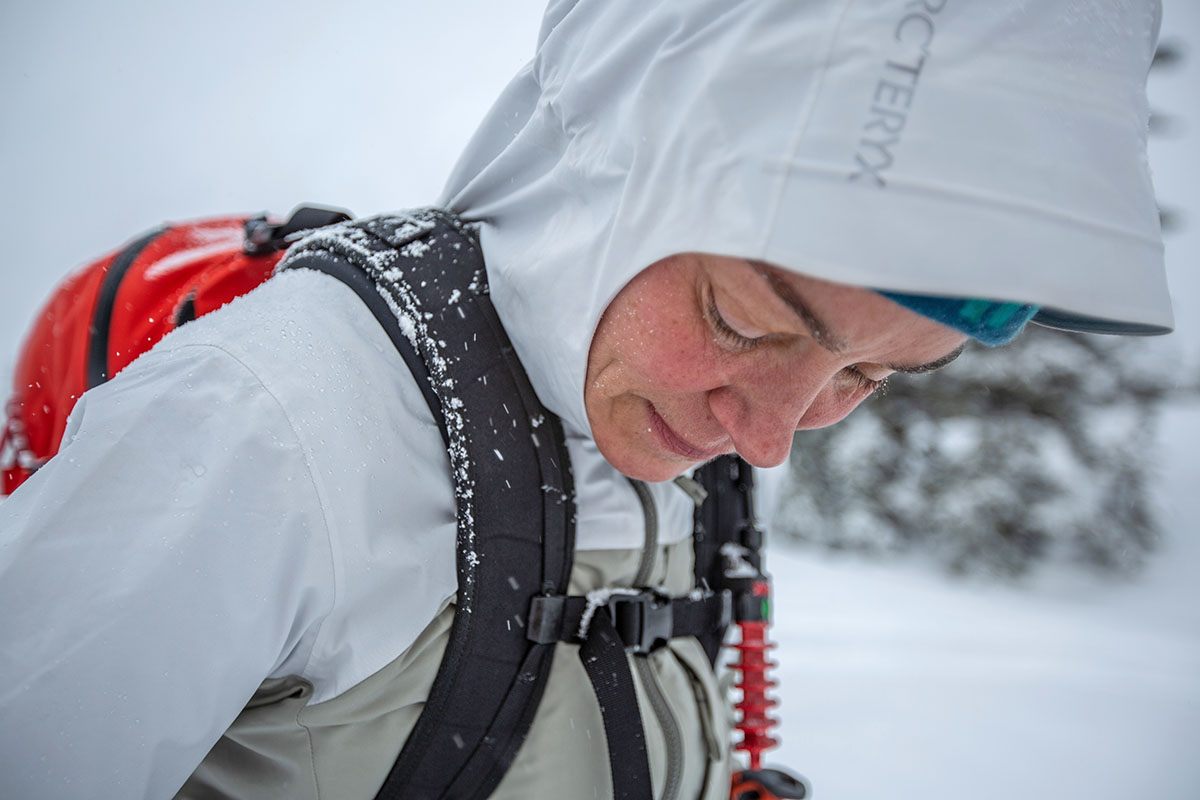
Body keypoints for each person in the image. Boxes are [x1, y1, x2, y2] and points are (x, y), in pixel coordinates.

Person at [0, 1, 1173, 798]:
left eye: (864, 375)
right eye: (748, 320)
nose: (766, 439)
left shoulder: (658, 420)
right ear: (614, 173)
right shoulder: (269, 428)